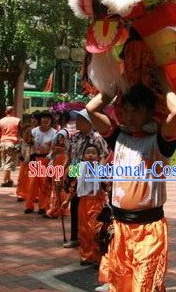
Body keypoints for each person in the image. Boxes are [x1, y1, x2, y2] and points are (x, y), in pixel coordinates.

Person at [86, 83, 176, 292]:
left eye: (136, 110)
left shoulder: (160, 142)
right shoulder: (118, 138)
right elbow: (91, 110)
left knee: (144, 287)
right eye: (126, 110)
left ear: (149, 111)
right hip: (119, 227)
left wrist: (163, 84)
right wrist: (113, 86)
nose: (129, 116)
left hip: (149, 230)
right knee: (121, 285)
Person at [62, 108, 108, 248]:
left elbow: (103, 156)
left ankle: (93, 237)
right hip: (76, 172)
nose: (77, 122)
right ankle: (75, 237)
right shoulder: (74, 136)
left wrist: (99, 174)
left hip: (90, 174)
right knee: (75, 204)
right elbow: (69, 156)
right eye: (77, 119)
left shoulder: (97, 137)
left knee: (92, 208)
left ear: (89, 122)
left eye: (81, 120)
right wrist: (64, 171)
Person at [62, 143, 107, 265]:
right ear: (83, 156)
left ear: (98, 157)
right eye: (88, 153)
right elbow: (73, 187)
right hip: (83, 203)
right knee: (84, 230)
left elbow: (106, 187)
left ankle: (97, 257)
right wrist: (67, 201)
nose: (91, 155)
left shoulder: (101, 169)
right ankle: (86, 256)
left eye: (93, 153)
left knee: (96, 230)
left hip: (97, 202)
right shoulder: (77, 168)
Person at [24, 111, 56, 214]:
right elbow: (29, 145)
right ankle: (29, 206)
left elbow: (55, 149)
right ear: (40, 120)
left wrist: (52, 161)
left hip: (47, 160)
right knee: (32, 184)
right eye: (44, 118)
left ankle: (43, 207)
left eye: (48, 118)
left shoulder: (55, 133)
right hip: (35, 159)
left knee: (45, 184)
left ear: (51, 121)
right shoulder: (34, 131)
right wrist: (27, 157)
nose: (46, 120)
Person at [45, 111, 71, 219]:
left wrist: (51, 154)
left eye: (58, 116)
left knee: (58, 185)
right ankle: (60, 209)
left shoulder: (62, 133)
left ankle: (56, 210)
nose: (55, 118)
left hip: (59, 159)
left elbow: (59, 147)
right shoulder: (64, 131)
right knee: (60, 184)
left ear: (63, 118)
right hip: (61, 158)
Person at [16, 111, 40, 202]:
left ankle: (35, 195)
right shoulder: (27, 129)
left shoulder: (41, 131)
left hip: (36, 157)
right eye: (32, 118)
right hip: (25, 156)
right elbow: (22, 141)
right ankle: (21, 194)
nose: (33, 120)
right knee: (23, 176)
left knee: (34, 178)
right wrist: (19, 153)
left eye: (35, 118)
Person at [0, 106, 21, 187]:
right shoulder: (17, 121)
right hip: (12, 143)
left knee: (5, 162)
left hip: (2, 143)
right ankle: (4, 180)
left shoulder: (0, 121)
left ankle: (8, 179)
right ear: (13, 111)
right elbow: (21, 133)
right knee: (9, 163)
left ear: (6, 112)